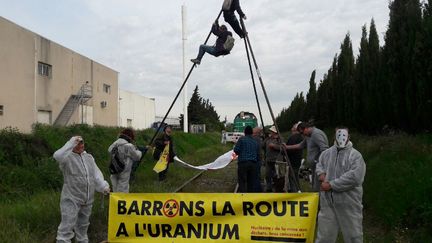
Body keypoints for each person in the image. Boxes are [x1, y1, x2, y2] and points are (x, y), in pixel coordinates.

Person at [53, 136, 110, 243]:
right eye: (77, 144)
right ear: (72, 145)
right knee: (67, 227)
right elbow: (57, 155)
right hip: (71, 198)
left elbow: (96, 174)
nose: (80, 146)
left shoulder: (89, 157)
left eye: (81, 143)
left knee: (83, 227)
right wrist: (71, 142)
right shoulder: (66, 158)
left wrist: (104, 187)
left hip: (87, 199)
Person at [315, 127, 366, 243]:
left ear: (349, 136)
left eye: (344, 135)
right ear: (334, 136)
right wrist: (321, 174)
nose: (341, 138)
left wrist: (332, 185)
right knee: (324, 235)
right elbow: (320, 165)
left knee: (354, 235)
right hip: (328, 202)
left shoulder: (355, 156)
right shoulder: (326, 154)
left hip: (349, 202)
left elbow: (355, 177)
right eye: (338, 135)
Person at [296, 122, 329, 191]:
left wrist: (318, 162)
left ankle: (320, 201)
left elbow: (325, 149)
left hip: (319, 168)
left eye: (302, 132)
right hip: (314, 167)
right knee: (314, 186)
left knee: (318, 188)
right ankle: (318, 200)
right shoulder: (308, 136)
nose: (302, 135)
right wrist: (287, 147)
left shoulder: (316, 134)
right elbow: (300, 145)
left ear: (306, 128)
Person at [108, 128, 143, 192]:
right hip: (125, 169)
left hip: (114, 168)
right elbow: (137, 157)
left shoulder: (114, 144)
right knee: (123, 188)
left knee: (115, 186)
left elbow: (109, 151)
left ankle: (115, 200)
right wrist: (139, 151)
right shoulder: (129, 146)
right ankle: (121, 201)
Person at [233, 125, 260, 192]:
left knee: (242, 181)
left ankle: (243, 196)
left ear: (245, 132)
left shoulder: (241, 139)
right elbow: (258, 154)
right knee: (251, 182)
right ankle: (249, 197)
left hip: (243, 163)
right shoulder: (255, 142)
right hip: (253, 164)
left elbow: (236, 150)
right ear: (251, 133)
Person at [264, 125, 284, 192]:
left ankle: (277, 188)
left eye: (271, 131)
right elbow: (263, 146)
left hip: (277, 160)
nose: (270, 132)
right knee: (267, 174)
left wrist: (274, 146)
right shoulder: (268, 139)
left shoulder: (280, 139)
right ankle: (269, 188)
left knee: (277, 175)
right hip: (268, 159)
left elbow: (283, 148)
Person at [285, 121, 304, 189]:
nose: (291, 128)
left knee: (292, 178)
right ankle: (298, 191)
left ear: (296, 129)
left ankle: (295, 193)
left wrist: (282, 150)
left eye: (293, 126)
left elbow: (288, 149)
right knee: (295, 178)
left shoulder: (294, 137)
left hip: (292, 161)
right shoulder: (300, 137)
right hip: (297, 160)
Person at [252, 127, 264, 192]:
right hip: (258, 159)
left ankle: (257, 190)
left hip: (255, 160)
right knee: (257, 175)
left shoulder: (255, 139)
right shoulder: (259, 139)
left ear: (256, 132)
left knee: (255, 176)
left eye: (253, 131)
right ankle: (258, 189)